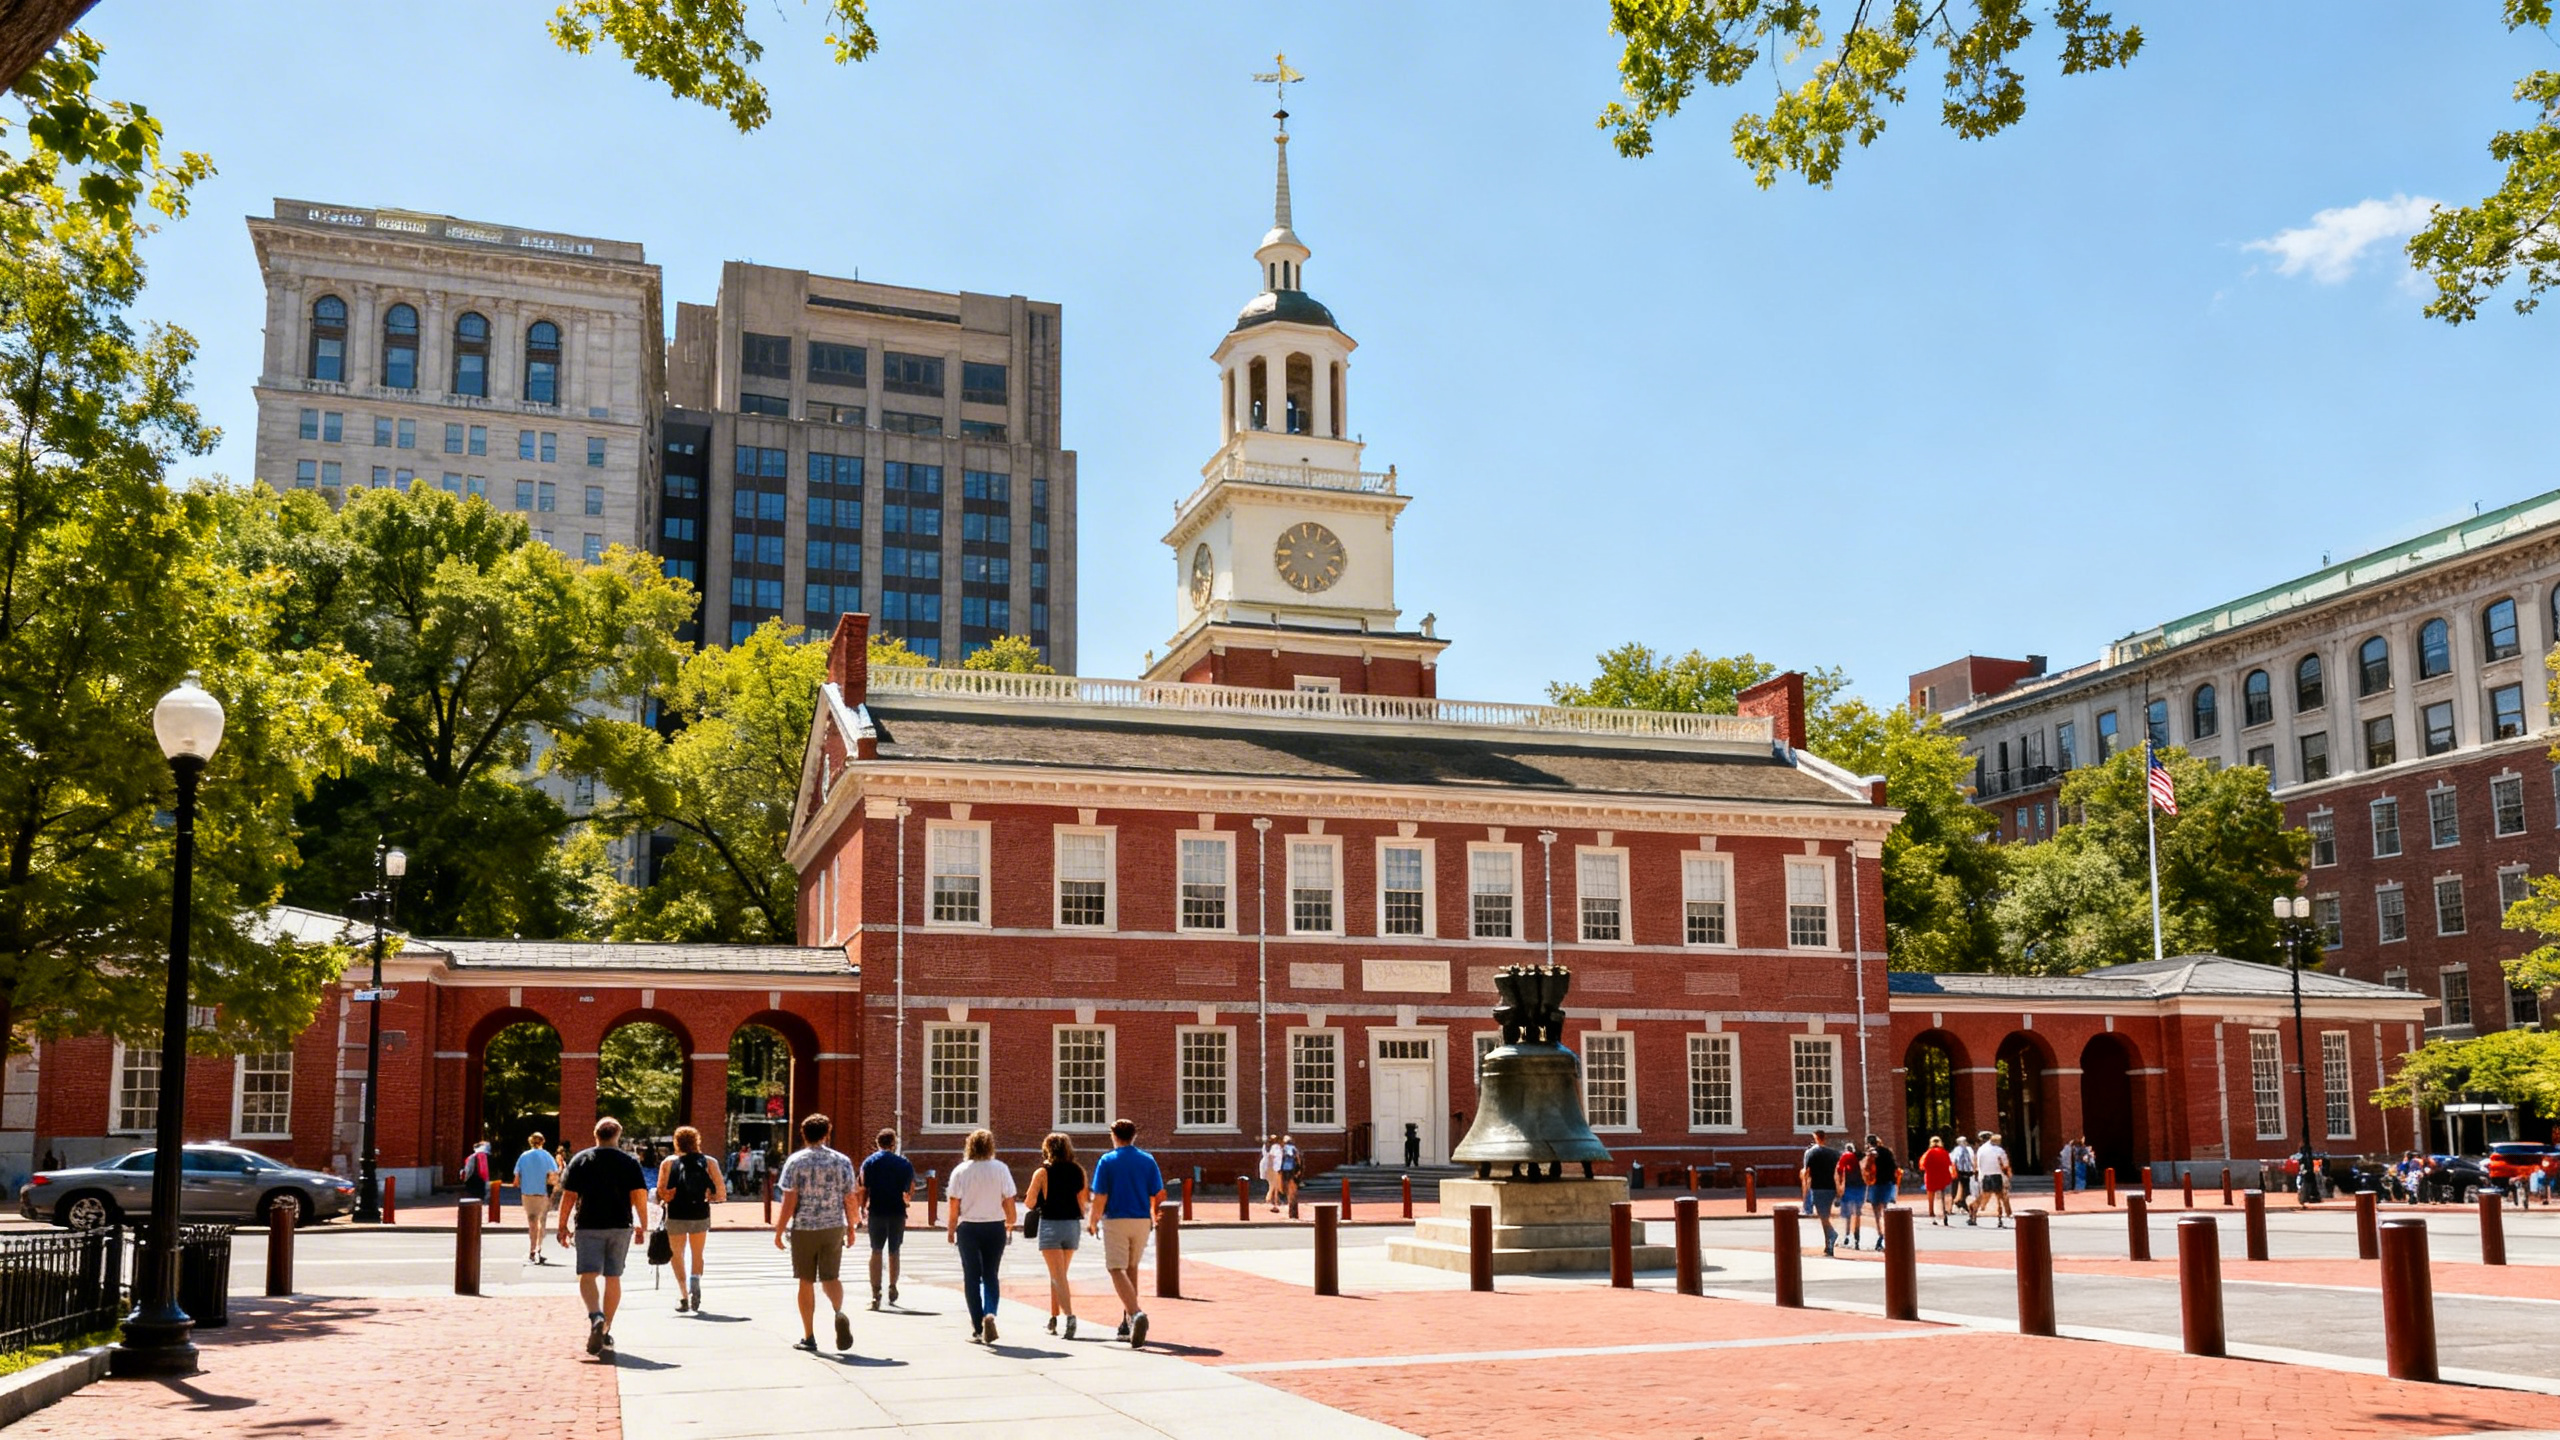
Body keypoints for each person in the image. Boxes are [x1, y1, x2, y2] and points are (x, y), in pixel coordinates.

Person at [553, 1116, 648, 1360]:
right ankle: (605, 1331)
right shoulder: (629, 1162)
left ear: (596, 1135)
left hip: (588, 1224)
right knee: (613, 1276)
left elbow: (569, 1196)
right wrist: (642, 1226)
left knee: (587, 1275)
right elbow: (639, 1196)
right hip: (620, 1225)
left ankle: (596, 1315)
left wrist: (562, 1225)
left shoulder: (581, 1159)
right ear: (618, 1135)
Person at [772, 1112, 858, 1353]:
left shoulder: (796, 1161)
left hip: (804, 1227)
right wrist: (851, 1227)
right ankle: (838, 1311)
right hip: (833, 1225)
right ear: (827, 1133)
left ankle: (809, 1335)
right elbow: (849, 1197)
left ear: (803, 1134)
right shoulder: (842, 1161)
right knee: (831, 1276)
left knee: (805, 1280)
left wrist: (779, 1230)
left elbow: (789, 1200)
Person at [1087, 1117, 1166, 1347]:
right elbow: (1157, 1193)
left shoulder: (1107, 1160)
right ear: (1134, 1136)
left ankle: (1136, 1313)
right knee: (1131, 1269)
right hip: (1141, 1219)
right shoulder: (1147, 1160)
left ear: (1114, 1136)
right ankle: (1127, 1322)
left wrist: (1092, 1221)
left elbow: (1101, 1196)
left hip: (1116, 1218)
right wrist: (1154, 1215)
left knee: (1115, 1268)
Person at [944, 1128, 1019, 1343]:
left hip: (969, 1227)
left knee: (971, 1277)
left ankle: (977, 1326)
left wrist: (951, 1229)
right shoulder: (1000, 1169)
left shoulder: (961, 1170)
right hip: (995, 1226)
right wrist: (1011, 1221)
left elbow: (954, 1204)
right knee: (990, 1274)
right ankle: (990, 1313)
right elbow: (1009, 1199)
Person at [656, 1124, 726, 1313]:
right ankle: (695, 1279)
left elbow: (662, 1192)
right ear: (697, 1141)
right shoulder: (709, 1161)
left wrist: (665, 1198)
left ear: (676, 1142)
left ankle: (683, 1296)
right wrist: (710, 1196)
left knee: (677, 1254)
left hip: (677, 1213)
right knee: (697, 1252)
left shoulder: (669, 1163)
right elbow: (720, 1193)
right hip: (699, 1213)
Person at [1025, 1132, 1089, 1338]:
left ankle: (1069, 1316)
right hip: (1072, 1225)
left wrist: (1042, 1201)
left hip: (1051, 1224)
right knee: (1059, 1275)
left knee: (1058, 1275)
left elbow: (1029, 1202)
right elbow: (1082, 1202)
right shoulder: (1078, 1171)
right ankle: (1053, 1318)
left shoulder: (1042, 1173)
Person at [854, 1129, 915, 1309]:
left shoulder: (869, 1162)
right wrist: (907, 1200)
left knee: (876, 1250)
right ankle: (893, 1286)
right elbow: (909, 1189)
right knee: (894, 1250)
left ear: (877, 1143)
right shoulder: (903, 1163)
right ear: (893, 1143)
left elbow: (863, 1187)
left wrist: (861, 1207)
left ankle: (875, 1292)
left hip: (877, 1210)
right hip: (897, 1210)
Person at [512, 1132, 559, 1262]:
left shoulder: (523, 1156)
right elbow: (554, 1175)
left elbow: (516, 1180)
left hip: (527, 1193)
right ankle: (538, 1247)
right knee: (541, 1221)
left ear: (530, 1142)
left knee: (531, 1221)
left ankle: (532, 1249)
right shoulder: (547, 1156)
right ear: (542, 1142)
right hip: (542, 1193)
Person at [1799, 1130, 1841, 1258]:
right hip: (1831, 1188)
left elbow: (1806, 1173)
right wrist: (1839, 1191)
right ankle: (1828, 1246)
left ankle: (1831, 1236)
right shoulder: (1834, 1154)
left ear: (1816, 1138)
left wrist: (1805, 1191)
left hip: (1818, 1187)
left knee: (1823, 1216)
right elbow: (1838, 1173)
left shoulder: (1812, 1153)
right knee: (1825, 1215)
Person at [1973, 1130, 2012, 1228]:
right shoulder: (1998, 1150)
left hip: (1985, 1176)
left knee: (1983, 1196)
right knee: (2001, 1197)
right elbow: (2005, 1164)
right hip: (1997, 1175)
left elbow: (1978, 1164)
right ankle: (2003, 1216)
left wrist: (1979, 1177)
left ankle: (1973, 1214)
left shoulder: (1980, 1150)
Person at [1866, 1136, 1900, 1246]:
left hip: (1875, 1183)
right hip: (1887, 1183)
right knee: (1885, 1209)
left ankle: (1880, 1235)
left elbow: (1866, 1169)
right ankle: (1887, 1235)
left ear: (1868, 1143)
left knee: (1876, 1212)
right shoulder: (1887, 1152)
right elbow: (1895, 1167)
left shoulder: (1870, 1153)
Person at [1836, 1140, 1868, 1251]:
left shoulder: (1845, 1156)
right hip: (1861, 1187)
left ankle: (1847, 1235)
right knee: (1857, 1213)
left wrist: (1839, 1189)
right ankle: (1857, 1237)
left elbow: (1839, 1170)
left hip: (1849, 1187)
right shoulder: (1860, 1157)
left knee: (1848, 1214)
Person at [1918, 1135, 1955, 1226]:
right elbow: (1949, 1163)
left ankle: (1932, 1214)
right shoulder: (1944, 1152)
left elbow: (1922, 1165)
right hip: (1943, 1176)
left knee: (1931, 1197)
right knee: (1943, 1195)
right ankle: (1944, 1213)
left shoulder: (1928, 1153)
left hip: (1931, 1176)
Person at [1951, 1132, 1977, 1220]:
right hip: (1965, 1172)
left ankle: (1962, 1203)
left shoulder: (1959, 1150)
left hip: (1962, 1171)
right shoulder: (1965, 1149)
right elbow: (1971, 1159)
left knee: (1962, 1187)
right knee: (1964, 1187)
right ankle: (1961, 1202)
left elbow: (1954, 1160)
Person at [1261, 1135, 1285, 1211]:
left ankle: (1274, 1200)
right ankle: (1273, 1201)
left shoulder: (1266, 1146)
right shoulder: (1275, 1147)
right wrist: (1272, 1168)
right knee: (1274, 1184)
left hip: (1269, 1167)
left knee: (1273, 1184)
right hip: (1273, 1168)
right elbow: (1271, 1157)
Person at [1278, 1134, 1302, 1209]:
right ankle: (1290, 1195)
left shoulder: (1283, 1148)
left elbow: (1281, 1157)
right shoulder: (1294, 1148)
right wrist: (1298, 1167)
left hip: (1285, 1167)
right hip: (1292, 1167)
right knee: (1291, 1181)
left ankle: (1284, 1195)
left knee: (1284, 1181)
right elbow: (1298, 1158)